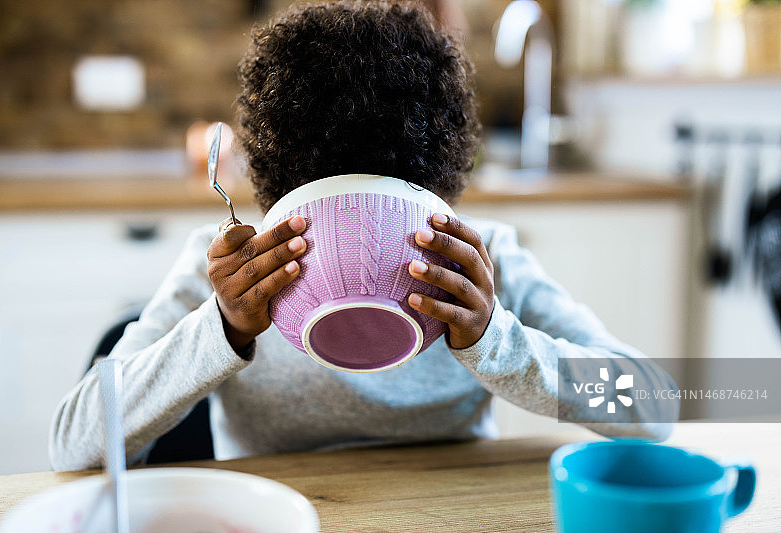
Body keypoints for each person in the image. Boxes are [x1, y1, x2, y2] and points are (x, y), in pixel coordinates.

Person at [49, 0, 677, 471]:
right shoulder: (229, 272)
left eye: (386, 223)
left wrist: (494, 341)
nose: (362, 253)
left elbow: (654, 406)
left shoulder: (479, 266)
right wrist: (224, 328)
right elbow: (72, 442)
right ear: (281, 192)